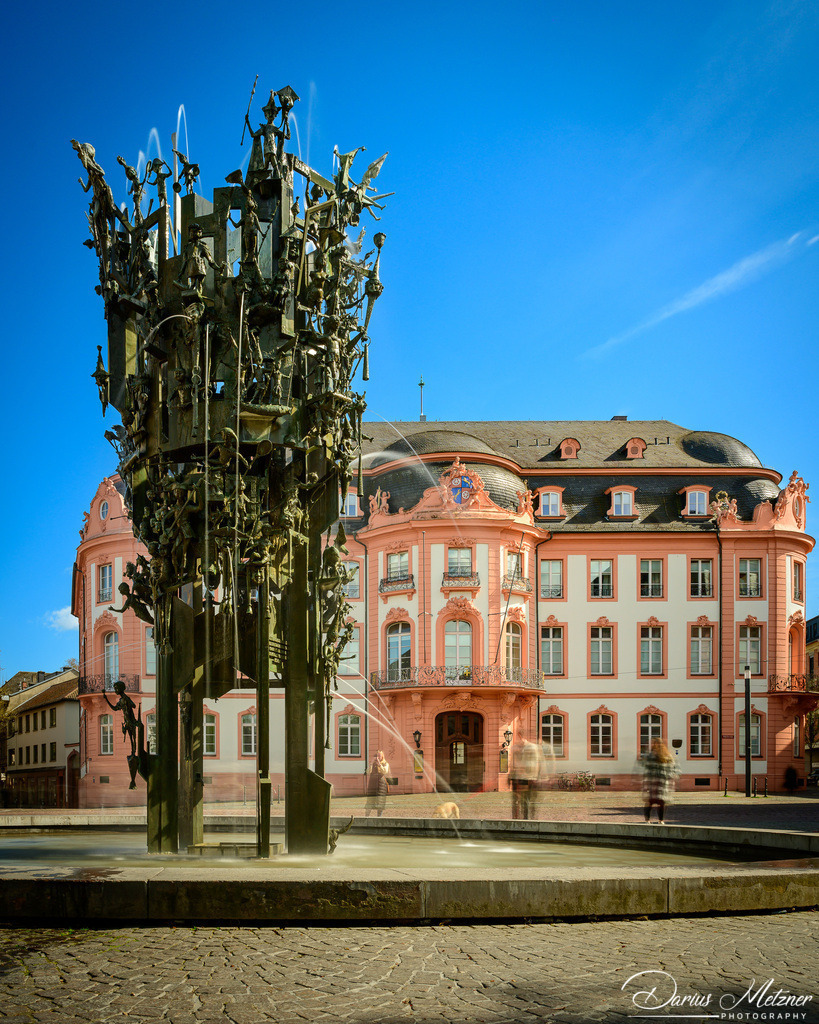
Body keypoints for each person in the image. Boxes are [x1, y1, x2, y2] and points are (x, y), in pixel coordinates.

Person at [641, 739, 678, 823]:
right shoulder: (650, 756)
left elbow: (672, 768)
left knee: (661, 802)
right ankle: (647, 820)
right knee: (650, 801)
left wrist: (669, 776)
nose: (656, 746)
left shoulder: (667, 756)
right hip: (653, 782)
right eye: (655, 744)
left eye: (658, 744)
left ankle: (660, 820)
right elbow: (647, 768)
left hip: (662, 782)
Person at [509, 733, 542, 820]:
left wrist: (535, 776)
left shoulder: (532, 748)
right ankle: (516, 817)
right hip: (518, 777)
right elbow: (512, 763)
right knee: (516, 800)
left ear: (521, 737)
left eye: (517, 737)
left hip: (528, 777)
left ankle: (526, 817)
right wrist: (510, 775)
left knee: (526, 799)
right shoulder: (514, 748)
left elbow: (536, 763)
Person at [365, 750, 390, 817]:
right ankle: (366, 817)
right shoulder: (372, 764)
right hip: (372, 784)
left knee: (380, 801)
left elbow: (385, 771)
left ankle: (379, 818)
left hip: (381, 784)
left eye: (379, 755)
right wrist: (371, 763)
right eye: (376, 755)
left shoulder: (385, 763)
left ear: (382, 756)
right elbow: (368, 772)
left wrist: (379, 765)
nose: (377, 757)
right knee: (370, 801)